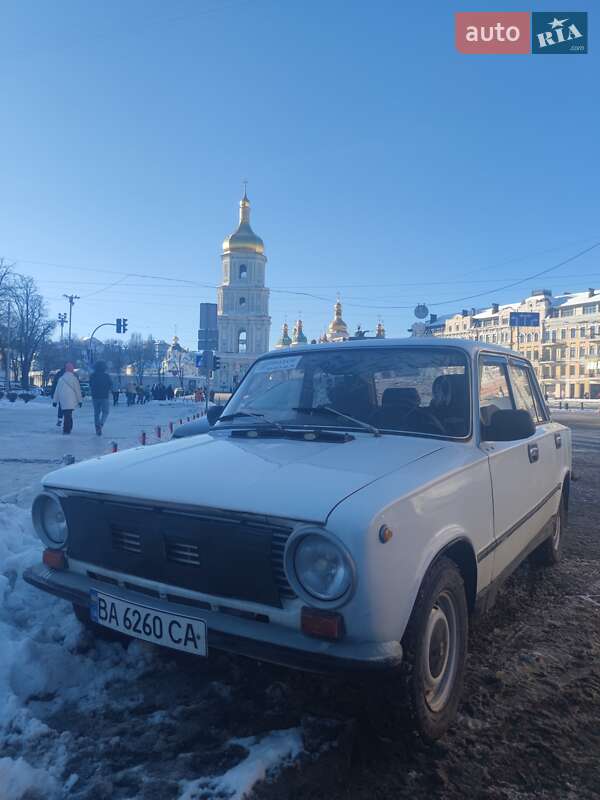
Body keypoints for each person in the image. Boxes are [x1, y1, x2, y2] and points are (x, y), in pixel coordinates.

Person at [52, 363, 82, 435]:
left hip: (63, 399)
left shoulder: (61, 379)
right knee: (68, 414)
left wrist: (55, 401)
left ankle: (68, 428)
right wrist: (80, 400)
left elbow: (57, 390)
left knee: (67, 414)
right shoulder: (74, 378)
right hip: (71, 400)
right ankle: (66, 429)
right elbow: (77, 390)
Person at [90, 361, 113, 436]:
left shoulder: (92, 375)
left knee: (96, 413)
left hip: (95, 396)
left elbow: (90, 384)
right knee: (105, 412)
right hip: (104, 396)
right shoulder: (106, 376)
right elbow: (110, 385)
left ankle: (97, 427)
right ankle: (101, 424)